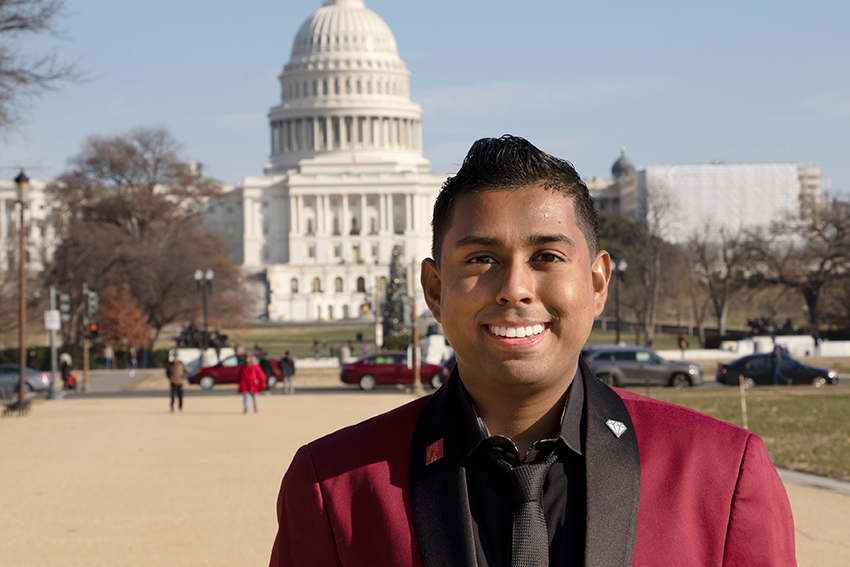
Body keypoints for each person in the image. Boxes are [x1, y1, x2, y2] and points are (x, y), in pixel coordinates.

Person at [268, 136, 796, 566]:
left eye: (546, 255)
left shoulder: (722, 475)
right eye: (480, 258)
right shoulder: (334, 488)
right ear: (433, 289)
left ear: (597, 283)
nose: (515, 288)